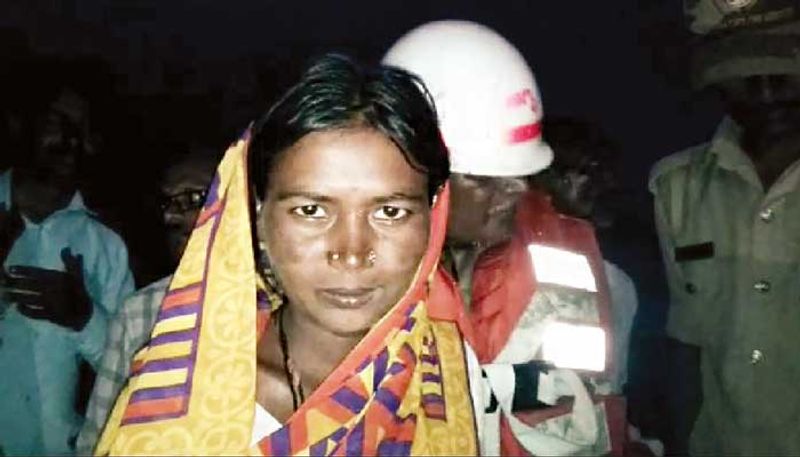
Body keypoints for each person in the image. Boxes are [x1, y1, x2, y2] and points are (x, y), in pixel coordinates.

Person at [94, 54, 483, 455]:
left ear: (432, 220)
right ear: (259, 220)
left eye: (390, 212)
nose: (351, 253)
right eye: (311, 210)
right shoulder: (180, 397)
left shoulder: (444, 371)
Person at [384, 21, 620, 456]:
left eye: (518, 170)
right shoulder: (351, 273)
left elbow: (597, 404)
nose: (516, 188)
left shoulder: (565, 248)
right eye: (482, 176)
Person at [650, 2, 800, 455]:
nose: (767, 90)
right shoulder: (675, 188)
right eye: (745, 72)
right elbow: (686, 348)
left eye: (784, 70)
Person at [0, 87, 135, 456]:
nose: (71, 141)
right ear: (22, 128)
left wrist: (85, 316)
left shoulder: (106, 243)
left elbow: (134, 370)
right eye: (58, 124)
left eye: (84, 131)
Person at [76, 149, 218, 455]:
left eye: (193, 199)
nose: (170, 216)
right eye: (167, 203)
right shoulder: (142, 312)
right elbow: (96, 438)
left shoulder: (283, 303)